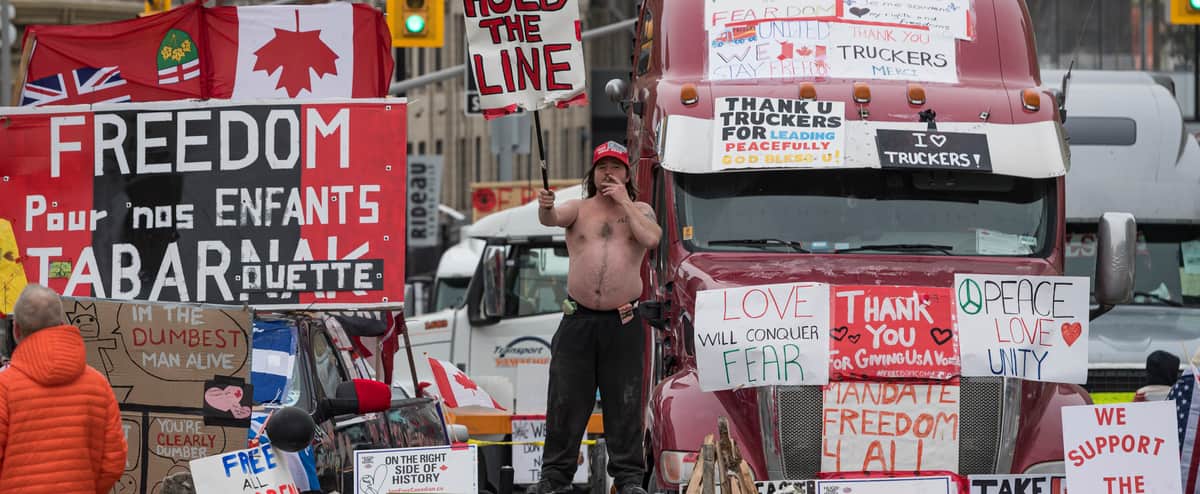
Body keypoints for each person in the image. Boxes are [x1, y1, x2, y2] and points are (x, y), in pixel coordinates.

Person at [530, 141, 661, 494]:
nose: (608, 173)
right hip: (578, 320)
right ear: (593, 173)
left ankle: (629, 478)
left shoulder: (640, 211)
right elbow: (551, 218)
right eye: (602, 167)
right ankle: (555, 477)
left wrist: (624, 202)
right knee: (566, 401)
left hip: (623, 322)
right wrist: (545, 206)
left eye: (615, 167)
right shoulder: (580, 208)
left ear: (627, 174)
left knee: (625, 402)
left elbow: (652, 238)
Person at [0, 284, 126, 493]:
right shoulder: (98, 385)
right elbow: (114, 461)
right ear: (61, 324)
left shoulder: (4, 387)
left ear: (16, 330)